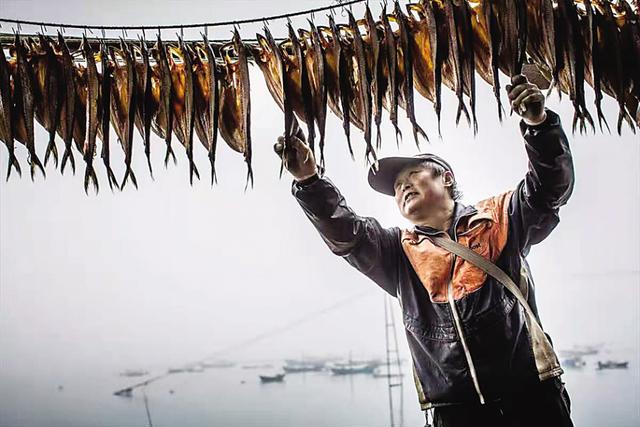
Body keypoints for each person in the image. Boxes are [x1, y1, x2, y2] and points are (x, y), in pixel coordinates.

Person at [274, 74, 575, 427]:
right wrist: (309, 180)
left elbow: (548, 189)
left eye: (412, 177)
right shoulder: (397, 253)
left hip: (532, 398)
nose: (402, 188)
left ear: (445, 177)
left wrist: (538, 125)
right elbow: (347, 234)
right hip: (453, 411)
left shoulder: (499, 217)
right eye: (397, 187)